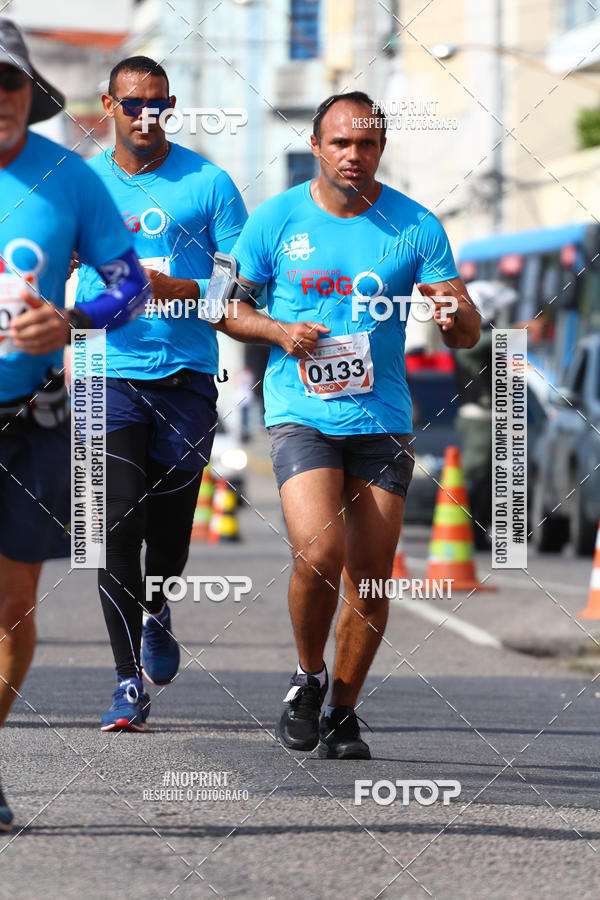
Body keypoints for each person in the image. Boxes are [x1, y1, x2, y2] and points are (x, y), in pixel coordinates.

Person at [217, 91, 480, 758]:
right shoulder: (274, 220)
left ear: (380, 149)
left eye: (365, 144)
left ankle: (343, 709)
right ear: (317, 147)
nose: (353, 155)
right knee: (318, 555)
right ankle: (308, 677)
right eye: (340, 143)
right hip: (301, 412)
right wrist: (279, 331)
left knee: (372, 572)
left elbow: (467, 328)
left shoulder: (415, 225)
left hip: (382, 417)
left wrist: (455, 319)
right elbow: (223, 309)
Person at [0, 19, 149, 830]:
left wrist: (71, 319)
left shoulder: (68, 177)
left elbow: (127, 288)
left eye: (9, 82)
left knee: (13, 608)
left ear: (31, 92)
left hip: (30, 416)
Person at [75, 57, 247, 732]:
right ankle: (126, 684)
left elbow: (241, 286)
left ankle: (158, 607)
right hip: (102, 369)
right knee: (114, 528)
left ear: (169, 106)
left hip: (184, 377)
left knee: (167, 540)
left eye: (156, 104)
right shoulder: (79, 185)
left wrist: (178, 291)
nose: (144, 115)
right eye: (131, 103)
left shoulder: (209, 183)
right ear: (108, 106)